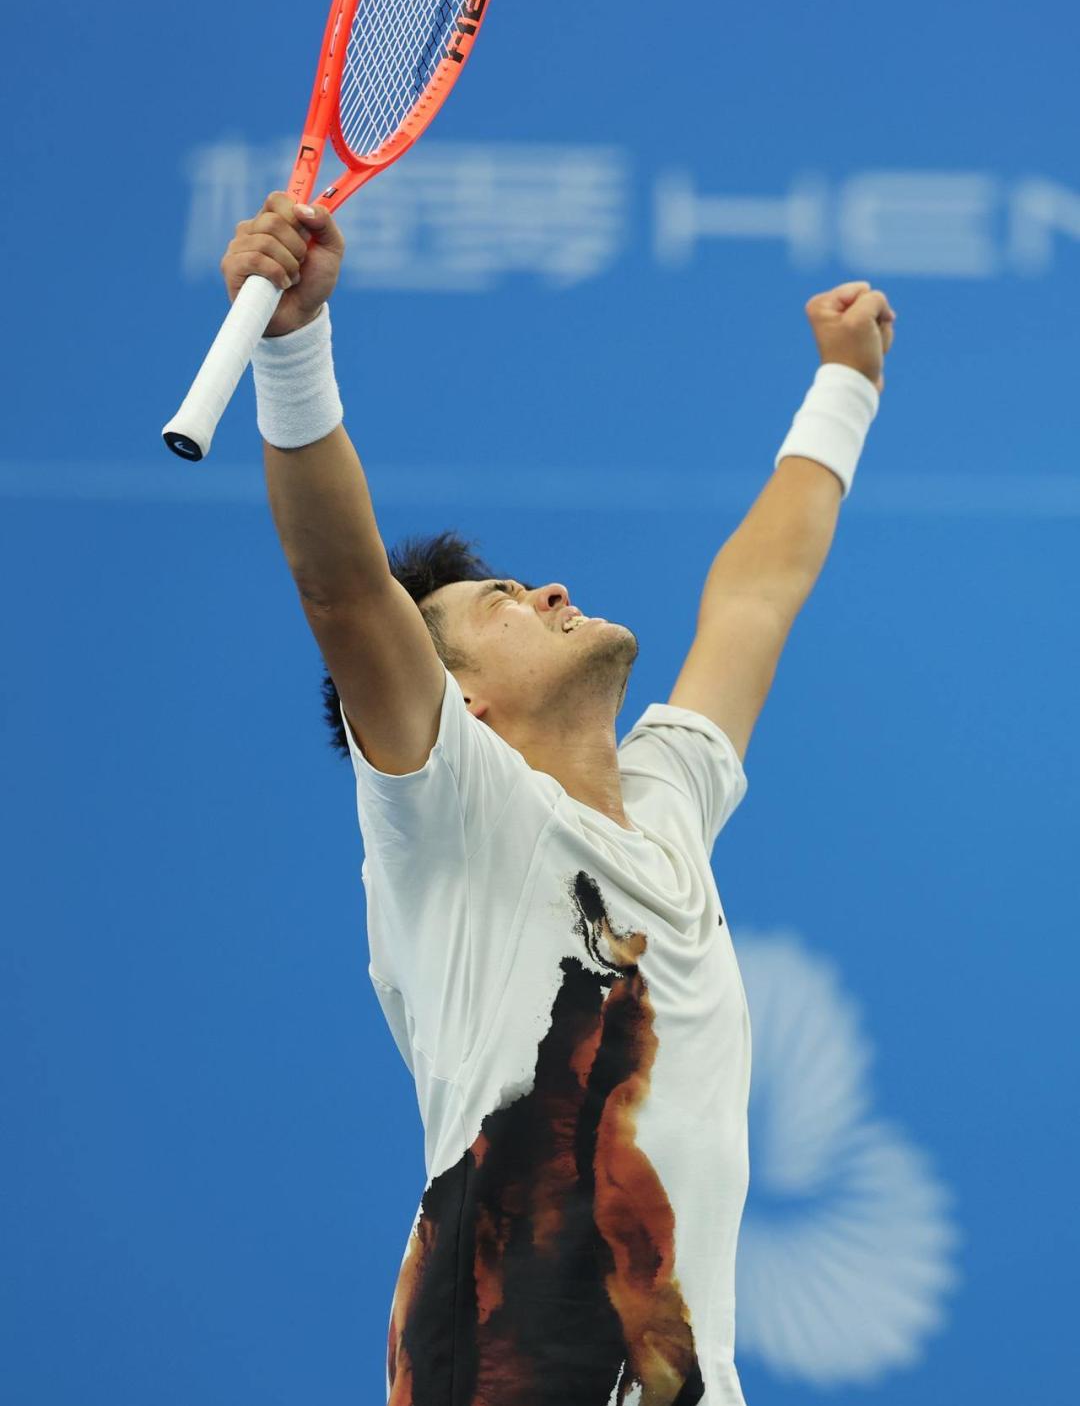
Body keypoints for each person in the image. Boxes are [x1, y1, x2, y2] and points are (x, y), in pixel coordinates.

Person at [225, 191, 896, 1405]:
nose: (547, 592)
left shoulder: (667, 799)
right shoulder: (453, 810)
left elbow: (756, 596)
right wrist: (292, 345)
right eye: (503, 604)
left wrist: (843, 390)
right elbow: (343, 591)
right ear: (460, 703)